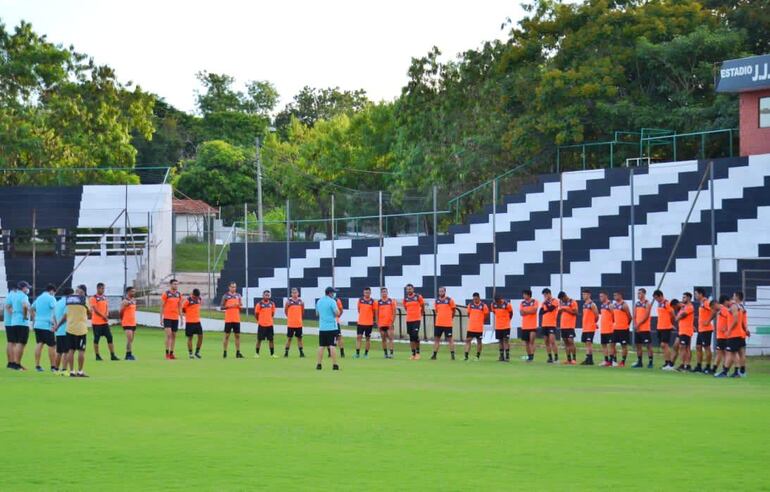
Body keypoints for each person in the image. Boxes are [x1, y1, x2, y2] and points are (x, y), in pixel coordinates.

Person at [56, 284, 91, 377]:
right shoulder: (84, 300)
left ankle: (71, 371)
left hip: (70, 328)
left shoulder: (69, 300)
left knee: (71, 350)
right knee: (81, 350)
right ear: (83, 292)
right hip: (81, 329)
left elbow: (66, 315)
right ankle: (80, 371)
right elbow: (90, 312)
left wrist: (58, 326)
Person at [30, 283, 57, 372]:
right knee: (52, 346)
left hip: (38, 324)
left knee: (39, 344)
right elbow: (55, 310)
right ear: (52, 291)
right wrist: (56, 323)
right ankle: (53, 367)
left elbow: (32, 308)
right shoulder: (51, 298)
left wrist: (34, 320)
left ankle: (37, 366)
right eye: (54, 292)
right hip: (47, 325)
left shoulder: (39, 298)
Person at [716, 293, 744, 378]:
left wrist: (729, 330)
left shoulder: (733, 306)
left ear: (726, 301)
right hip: (735, 334)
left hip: (734, 334)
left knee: (730, 353)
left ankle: (725, 372)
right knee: (734, 353)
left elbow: (736, 320)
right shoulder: (734, 307)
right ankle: (736, 372)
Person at [5, 281, 31, 370]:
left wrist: (13, 313)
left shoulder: (14, 295)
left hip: (14, 321)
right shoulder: (24, 296)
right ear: (23, 288)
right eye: (27, 287)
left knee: (15, 343)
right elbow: (24, 306)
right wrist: (24, 315)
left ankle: (14, 363)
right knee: (21, 343)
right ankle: (17, 363)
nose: (28, 289)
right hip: (22, 322)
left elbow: (7, 306)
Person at [91, 282, 119, 361]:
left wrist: (107, 314)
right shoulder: (94, 298)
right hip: (97, 322)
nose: (103, 290)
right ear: (98, 288)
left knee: (109, 337)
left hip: (104, 322)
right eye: (102, 288)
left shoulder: (104, 297)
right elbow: (95, 309)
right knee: (96, 339)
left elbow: (106, 307)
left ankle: (112, 355)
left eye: (104, 288)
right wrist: (103, 316)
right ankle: (97, 355)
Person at [315, 287, 340, 370]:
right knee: (332, 346)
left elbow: (317, 314)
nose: (334, 294)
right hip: (331, 327)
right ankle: (335, 364)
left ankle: (319, 364)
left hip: (322, 327)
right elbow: (337, 313)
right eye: (333, 292)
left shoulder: (319, 301)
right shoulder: (332, 301)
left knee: (321, 346)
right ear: (330, 293)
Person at [693, 287, 716, 374]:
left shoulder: (706, 302)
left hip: (706, 329)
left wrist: (708, 321)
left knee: (706, 348)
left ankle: (708, 367)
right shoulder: (701, 303)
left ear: (700, 294)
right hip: (701, 329)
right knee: (698, 347)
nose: (695, 295)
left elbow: (714, 311)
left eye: (696, 294)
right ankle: (699, 366)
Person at [653, 290, 676, 370]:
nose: (656, 299)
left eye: (656, 298)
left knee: (664, 345)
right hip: (660, 327)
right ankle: (666, 362)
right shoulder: (659, 304)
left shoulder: (666, 303)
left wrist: (671, 323)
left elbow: (672, 314)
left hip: (666, 327)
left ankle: (669, 364)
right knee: (662, 346)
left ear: (660, 296)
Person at [431, 287, 456, 360]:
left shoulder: (449, 300)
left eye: (442, 291)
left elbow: (454, 310)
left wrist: (450, 318)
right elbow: (436, 311)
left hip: (447, 324)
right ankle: (434, 355)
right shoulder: (437, 301)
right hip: (438, 324)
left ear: (445, 292)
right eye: (439, 291)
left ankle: (452, 355)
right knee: (436, 339)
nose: (441, 292)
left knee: (450, 339)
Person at [160, 279, 183, 360]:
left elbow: (180, 307)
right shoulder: (166, 294)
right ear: (170, 285)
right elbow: (162, 306)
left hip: (175, 318)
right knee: (169, 335)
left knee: (174, 336)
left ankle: (171, 353)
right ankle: (167, 353)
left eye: (177, 284)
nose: (176, 286)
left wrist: (181, 318)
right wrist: (161, 318)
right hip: (167, 317)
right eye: (174, 284)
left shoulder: (179, 294)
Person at [220, 282, 243, 359]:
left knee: (237, 336)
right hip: (228, 319)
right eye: (232, 287)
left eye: (235, 287)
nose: (233, 288)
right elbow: (221, 307)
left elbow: (241, 306)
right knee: (227, 336)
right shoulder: (225, 296)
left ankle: (238, 352)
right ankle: (225, 352)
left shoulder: (238, 295)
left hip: (236, 319)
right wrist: (229, 306)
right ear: (229, 287)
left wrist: (239, 306)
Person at [632, 288, 653, 369]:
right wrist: (635, 324)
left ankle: (650, 362)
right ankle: (639, 362)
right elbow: (634, 315)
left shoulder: (647, 303)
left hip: (645, 328)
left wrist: (639, 324)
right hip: (638, 329)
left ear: (644, 294)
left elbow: (646, 316)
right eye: (638, 293)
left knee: (648, 346)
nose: (638, 295)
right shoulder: (637, 304)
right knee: (638, 345)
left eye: (640, 293)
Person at [403, 284, 425, 360]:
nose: (409, 290)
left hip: (416, 319)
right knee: (411, 337)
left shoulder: (418, 296)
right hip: (409, 320)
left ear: (413, 289)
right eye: (407, 289)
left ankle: (418, 353)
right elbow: (406, 308)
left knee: (415, 335)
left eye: (410, 289)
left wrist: (421, 313)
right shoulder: (405, 299)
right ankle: (413, 353)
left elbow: (422, 305)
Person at [464, 292, 488, 361]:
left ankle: (477, 356)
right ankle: (466, 356)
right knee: (468, 340)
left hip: (479, 328)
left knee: (479, 341)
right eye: (474, 299)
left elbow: (486, 315)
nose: (475, 300)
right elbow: (468, 314)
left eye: (476, 299)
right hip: (471, 327)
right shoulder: (470, 305)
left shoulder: (483, 305)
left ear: (479, 298)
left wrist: (480, 320)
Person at [610, 291, 632, 367]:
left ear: (620, 295)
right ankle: (613, 360)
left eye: (616, 295)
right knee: (612, 344)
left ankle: (623, 361)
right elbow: (613, 316)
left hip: (623, 329)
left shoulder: (624, 305)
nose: (614, 297)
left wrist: (626, 325)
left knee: (624, 345)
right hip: (615, 329)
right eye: (614, 295)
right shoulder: (614, 305)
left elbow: (630, 317)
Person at [54, 288, 73, 375]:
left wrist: (56, 326)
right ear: (70, 295)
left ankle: (56, 369)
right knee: (67, 351)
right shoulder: (68, 303)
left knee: (59, 351)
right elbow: (66, 316)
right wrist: (58, 325)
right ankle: (64, 370)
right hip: (65, 330)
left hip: (58, 331)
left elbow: (53, 316)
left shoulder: (58, 302)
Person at [674, 293, 695, 372]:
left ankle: (686, 364)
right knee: (684, 347)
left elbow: (681, 316)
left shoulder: (690, 307)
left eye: (684, 297)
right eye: (682, 297)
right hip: (682, 330)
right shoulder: (684, 307)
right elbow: (678, 316)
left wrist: (678, 317)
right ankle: (685, 364)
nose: (682, 299)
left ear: (689, 298)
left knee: (684, 347)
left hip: (686, 330)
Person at [557, 291, 578, 365]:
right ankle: (568, 359)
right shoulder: (561, 303)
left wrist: (566, 309)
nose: (561, 300)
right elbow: (559, 313)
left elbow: (575, 312)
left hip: (570, 325)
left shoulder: (573, 302)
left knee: (571, 341)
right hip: (563, 326)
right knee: (566, 342)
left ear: (565, 296)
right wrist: (560, 311)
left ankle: (574, 359)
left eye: (562, 299)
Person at [254, 290, 277, 358]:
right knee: (259, 340)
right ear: (263, 295)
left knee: (271, 340)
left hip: (270, 325)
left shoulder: (272, 304)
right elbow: (256, 314)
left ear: (269, 296)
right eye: (265, 295)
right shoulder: (259, 304)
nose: (266, 296)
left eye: (268, 295)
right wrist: (260, 320)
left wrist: (269, 319)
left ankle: (272, 354)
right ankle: (257, 353)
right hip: (262, 324)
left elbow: (272, 313)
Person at [355, 287, 376, 359]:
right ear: (363, 293)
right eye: (365, 292)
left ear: (370, 293)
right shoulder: (360, 300)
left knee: (367, 338)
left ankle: (366, 354)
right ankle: (357, 353)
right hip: (361, 323)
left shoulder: (372, 301)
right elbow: (359, 310)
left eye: (368, 292)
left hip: (369, 323)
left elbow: (374, 312)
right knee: (359, 337)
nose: (367, 294)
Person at [284, 287, 305, 358]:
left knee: (299, 338)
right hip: (291, 324)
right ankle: (286, 352)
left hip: (299, 324)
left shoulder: (301, 302)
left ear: (298, 293)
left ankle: (301, 352)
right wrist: (290, 318)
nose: (294, 294)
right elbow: (286, 311)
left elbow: (302, 312)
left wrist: (298, 318)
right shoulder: (288, 302)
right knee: (289, 338)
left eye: (296, 292)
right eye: (293, 293)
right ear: (291, 294)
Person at [712, 295, 730, 375]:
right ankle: (717, 369)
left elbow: (730, 321)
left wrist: (726, 328)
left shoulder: (725, 310)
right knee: (721, 353)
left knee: (724, 353)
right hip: (720, 336)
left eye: (713, 306)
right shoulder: (719, 311)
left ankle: (722, 370)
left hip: (724, 336)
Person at [492, 294, 513, 362]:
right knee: (500, 341)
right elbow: (494, 312)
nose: (497, 302)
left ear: (501, 299)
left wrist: (507, 320)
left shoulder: (507, 304)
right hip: (498, 326)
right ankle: (501, 356)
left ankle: (507, 356)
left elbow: (511, 313)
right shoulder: (493, 305)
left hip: (506, 326)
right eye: (496, 301)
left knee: (505, 340)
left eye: (498, 301)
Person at [183, 289, 203, 359]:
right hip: (189, 322)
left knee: (200, 336)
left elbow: (199, 305)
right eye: (195, 297)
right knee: (190, 338)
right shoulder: (188, 300)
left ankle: (197, 352)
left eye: (197, 297)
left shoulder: (199, 299)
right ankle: (190, 353)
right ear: (192, 294)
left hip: (197, 321)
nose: (196, 298)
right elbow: (183, 309)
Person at [580, 289, 598, 365]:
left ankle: (590, 360)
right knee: (586, 343)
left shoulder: (592, 304)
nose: (583, 296)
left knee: (589, 342)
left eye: (585, 294)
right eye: (582, 294)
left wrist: (593, 323)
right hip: (585, 327)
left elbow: (596, 315)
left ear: (589, 295)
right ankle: (588, 358)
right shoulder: (584, 305)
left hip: (590, 327)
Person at [540, 288, 559, 363]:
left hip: (551, 324)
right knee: (546, 342)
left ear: (549, 294)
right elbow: (541, 312)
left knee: (552, 341)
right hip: (544, 324)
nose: (544, 297)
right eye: (543, 295)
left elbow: (551, 309)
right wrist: (546, 306)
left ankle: (556, 358)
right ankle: (550, 357)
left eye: (545, 295)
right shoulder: (543, 302)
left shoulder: (555, 301)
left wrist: (546, 303)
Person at [519, 289, 539, 362]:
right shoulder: (522, 303)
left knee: (532, 341)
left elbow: (535, 311)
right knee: (526, 342)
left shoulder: (535, 301)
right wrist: (530, 311)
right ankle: (529, 356)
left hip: (532, 325)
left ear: (528, 295)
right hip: (525, 326)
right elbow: (521, 313)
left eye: (524, 294)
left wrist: (526, 311)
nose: (523, 296)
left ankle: (532, 356)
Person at [377, 287, 396, 358]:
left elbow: (394, 313)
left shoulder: (391, 301)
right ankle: (385, 353)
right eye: (382, 292)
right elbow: (376, 313)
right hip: (381, 324)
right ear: (381, 293)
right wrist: (377, 323)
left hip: (389, 323)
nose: (384, 293)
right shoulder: (378, 302)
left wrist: (392, 322)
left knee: (390, 338)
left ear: (387, 293)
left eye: (385, 292)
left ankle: (391, 353)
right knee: (383, 339)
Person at [734, 291, 749, 377]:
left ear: (737, 297)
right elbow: (745, 321)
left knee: (735, 352)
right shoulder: (743, 307)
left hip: (736, 333)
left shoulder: (736, 307)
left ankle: (737, 371)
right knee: (742, 352)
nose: (733, 297)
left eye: (734, 295)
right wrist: (746, 330)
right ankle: (742, 371)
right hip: (742, 333)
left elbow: (741, 321)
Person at [120, 287, 138, 360]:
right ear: (128, 292)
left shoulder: (134, 300)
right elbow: (120, 311)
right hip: (127, 322)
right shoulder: (125, 301)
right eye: (132, 291)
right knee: (129, 339)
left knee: (131, 340)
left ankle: (129, 353)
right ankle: (128, 355)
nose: (133, 293)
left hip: (133, 322)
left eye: (134, 291)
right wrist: (123, 319)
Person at [598, 291, 614, 367]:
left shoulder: (610, 305)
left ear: (606, 296)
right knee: (604, 345)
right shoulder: (602, 305)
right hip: (603, 329)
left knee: (611, 345)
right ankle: (606, 360)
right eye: (600, 296)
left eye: (602, 296)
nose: (600, 298)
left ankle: (612, 360)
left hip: (610, 329)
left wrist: (612, 324)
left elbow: (614, 315)